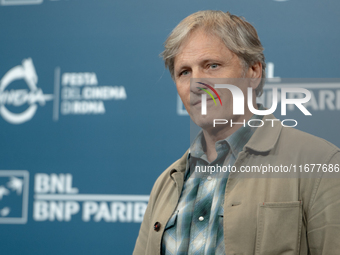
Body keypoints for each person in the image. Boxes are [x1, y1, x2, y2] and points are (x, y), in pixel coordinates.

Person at [133, 10, 340, 255]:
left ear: (253, 72)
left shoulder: (320, 164)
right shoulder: (166, 183)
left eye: (212, 65)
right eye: (184, 72)